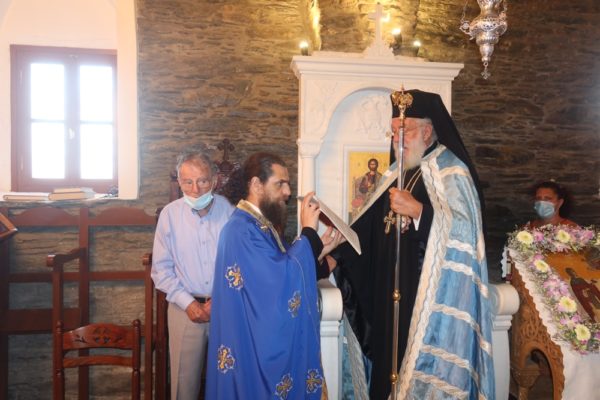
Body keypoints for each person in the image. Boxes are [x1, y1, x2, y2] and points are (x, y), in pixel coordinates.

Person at [331, 89, 495, 399]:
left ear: (427, 131)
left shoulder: (451, 170)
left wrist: (419, 211)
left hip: (425, 300)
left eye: (404, 131)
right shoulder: (395, 173)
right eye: (394, 131)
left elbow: (467, 233)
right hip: (387, 296)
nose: (397, 139)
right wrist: (335, 255)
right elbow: (366, 230)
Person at [205, 152, 342, 399]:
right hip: (249, 348)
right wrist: (308, 232)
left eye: (287, 184)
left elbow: (283, 264)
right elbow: (279, 281)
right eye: (280, 184)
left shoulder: (258, 225)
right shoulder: (241, 230)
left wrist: (319, 249)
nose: (288, 192)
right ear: (256, 185)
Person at [151, 149, 234, 400]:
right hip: (183, 308)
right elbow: (161, 269)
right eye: (188, 182)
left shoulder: (230, 213)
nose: (195, 189)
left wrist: (219, 300)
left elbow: (238, 264)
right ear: (179, 182)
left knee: (229, 381)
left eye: (202, 181)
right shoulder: (169, 215)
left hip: (225, 308)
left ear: (215, 180)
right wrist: (189, 303)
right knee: (183, 384)